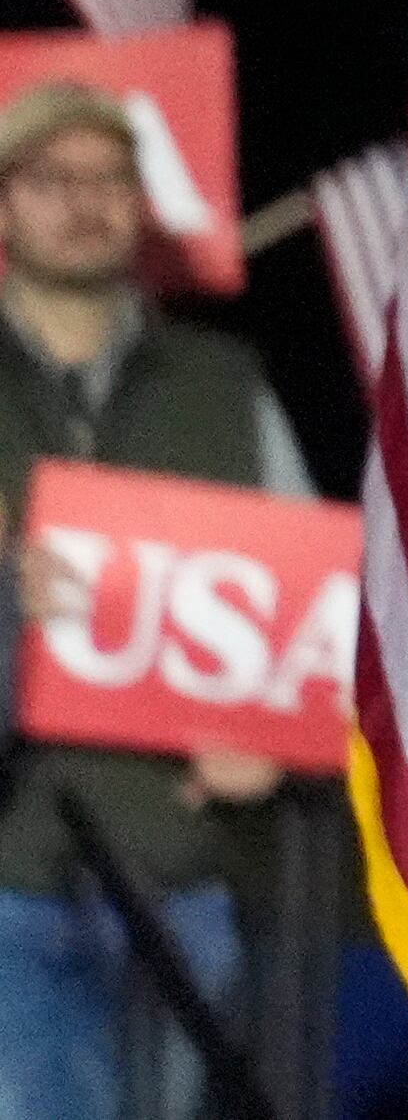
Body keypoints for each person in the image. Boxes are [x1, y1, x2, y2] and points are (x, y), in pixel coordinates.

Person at [0, 80, 311, 1120]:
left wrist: (267, 732)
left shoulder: (225, 384)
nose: (84, 201)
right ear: (4, 206)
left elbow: (302, 605)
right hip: (12, 875)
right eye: (51, 180)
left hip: (182, 874)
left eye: (110, 178)